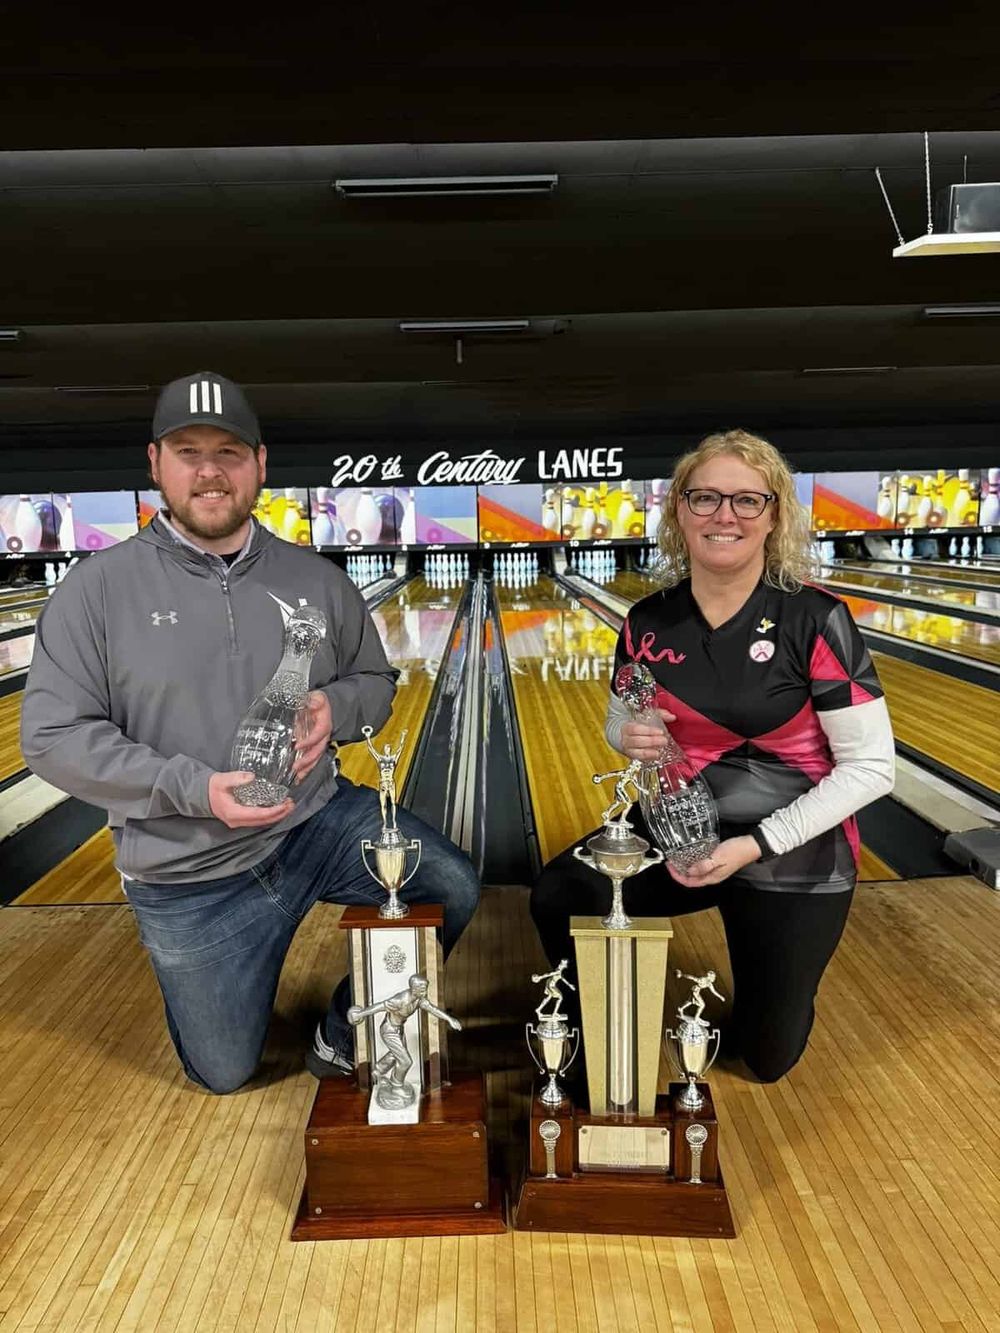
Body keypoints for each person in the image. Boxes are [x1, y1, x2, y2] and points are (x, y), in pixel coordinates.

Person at [20, 370, 480, 1095]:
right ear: (155, 464)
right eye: (188, 451)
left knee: (449, 880)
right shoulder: (97, 591)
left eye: (229, 452)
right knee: (225, 1072)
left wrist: (337, 705)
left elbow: (377, 684)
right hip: (188, 873)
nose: (210, 470)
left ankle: (347, 1027)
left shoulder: (317, 579)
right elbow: (49, 735)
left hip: (313, 823)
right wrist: (194, 788)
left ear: (260, 465)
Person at [531, 429, 895, 1083]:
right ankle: (586, 1034)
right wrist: (627, 735)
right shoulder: (647, 621)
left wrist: (755, 844)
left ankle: (768, 960)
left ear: (773, 514)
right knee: (561, 892)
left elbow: (873, 768)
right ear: (678, 511)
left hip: (792, 851)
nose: (723, 515)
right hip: (683, 830)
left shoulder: (815, 620)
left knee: (765, 1057)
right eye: (704, 498)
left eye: (745, 500)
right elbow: (624, 713)